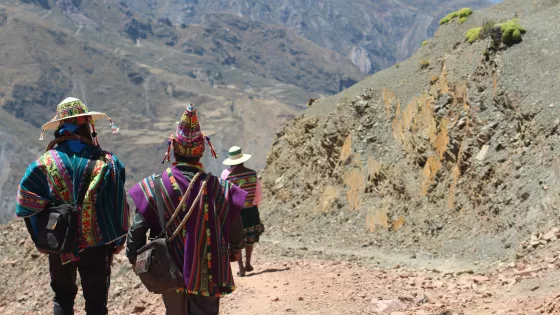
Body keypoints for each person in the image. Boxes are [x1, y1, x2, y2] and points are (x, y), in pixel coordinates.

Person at [126, 103, 247, 315]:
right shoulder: (220, 189)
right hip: (209, 273)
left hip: (169, 272)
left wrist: (137, 260)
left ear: (172, 149)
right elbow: (236, 226)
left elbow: (136, 233)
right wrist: (234, 250)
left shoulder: (154, 187)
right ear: (202, 151)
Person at [15, 97, 129, 315]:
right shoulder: (108, 164)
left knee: (63, 298)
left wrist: (40, 239)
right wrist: (118, 239)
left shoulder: (42, 165)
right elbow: (118, 203)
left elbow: (27, 205)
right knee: (96, 304)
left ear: (60, 127)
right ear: (87, 125)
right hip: (98, 244)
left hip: (59, 244)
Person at [221, 146, 264, 277]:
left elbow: (224, 195)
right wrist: (253, 204)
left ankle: (241, 268)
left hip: (235, 212)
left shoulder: (226, 175)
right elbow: (258, 193)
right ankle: (248, 263)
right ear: (242, 160)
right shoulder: (252, 174)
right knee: (250, 237)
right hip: (250, 210)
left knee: (237, 238)